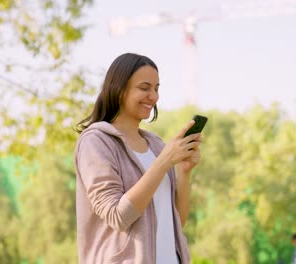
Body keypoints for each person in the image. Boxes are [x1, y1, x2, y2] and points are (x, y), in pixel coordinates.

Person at [74, 53, 203, 264]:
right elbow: (117, 215)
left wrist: (184, 171)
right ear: (119, 90)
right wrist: (164, 162)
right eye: (144, 88)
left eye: (156, 88)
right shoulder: (96, 142)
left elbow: (176, 221)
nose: (153, 96)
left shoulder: (156, 145)